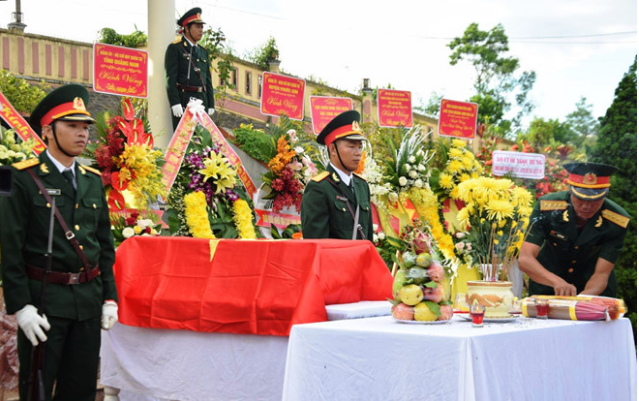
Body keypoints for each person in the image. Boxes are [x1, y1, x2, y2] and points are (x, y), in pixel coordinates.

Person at [0, 84, 118, 401]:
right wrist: (21, 307)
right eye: (72, 126)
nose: (82, 134)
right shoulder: (22, 178)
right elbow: (10, 249)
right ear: (48, 131)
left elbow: (104, 246)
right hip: (44, 304)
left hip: (88, 304)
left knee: (79, 391)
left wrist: (109, 298)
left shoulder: (93, 181)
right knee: (37, 390)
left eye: (85, 127)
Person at [518, 162, 630, 297]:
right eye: (580, 198)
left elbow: (601, 274)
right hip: (547, 286)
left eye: (595, 200)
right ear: (570, 191)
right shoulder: (547, 207)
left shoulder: (617, 220)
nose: (586, 206)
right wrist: (556, 282)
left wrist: (582, 300)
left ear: (605, 195)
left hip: (593, 292)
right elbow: (525, 259)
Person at [301, 110, 373, 241]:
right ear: (333, 149)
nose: (358, 153)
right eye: (351, 146)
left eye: (360, 147)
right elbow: (316, 245)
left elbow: (368, 239)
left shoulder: (362, 186)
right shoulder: (319, 188)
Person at [165, 7, 215, 130]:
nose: (201, 30)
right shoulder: (176, 49)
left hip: (202, 102)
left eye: (202, 27)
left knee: (202, 143)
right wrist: (175, 102)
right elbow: (170, 79)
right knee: (183, 141)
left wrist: (211, 104)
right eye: (197, 27)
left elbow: (208, 81)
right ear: (186, 28)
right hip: (184, 101)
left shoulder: (204, 52)